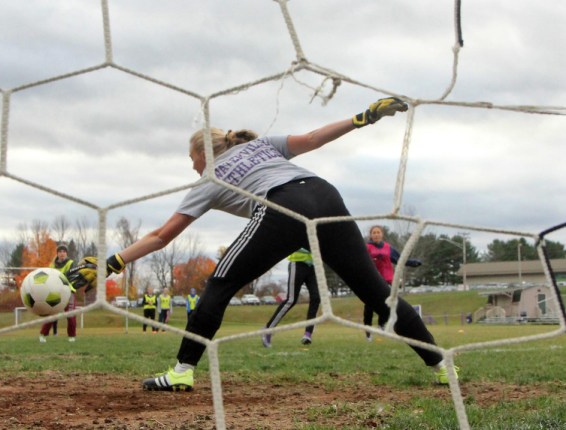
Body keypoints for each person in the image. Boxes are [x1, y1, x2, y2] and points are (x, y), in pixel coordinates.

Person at [75, 97, 457, 390]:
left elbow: (162, 235)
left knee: (221, 285)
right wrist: (363, 118)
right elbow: (312, 139)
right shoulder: (262, 146)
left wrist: (112, 262)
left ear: (202, 153)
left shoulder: (209, 177)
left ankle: (181, 372)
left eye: (190, 158)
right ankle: (441, 365)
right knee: (376, 293)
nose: (191, 166)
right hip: (326, 195)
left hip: (283, 205)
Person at [363, 225, 422, 341]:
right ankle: (368, 332)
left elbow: (400, 259)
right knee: (369, 306)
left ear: (382, 234)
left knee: (386, 303)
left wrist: (412, 263)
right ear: (371, 235)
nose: (376, 234)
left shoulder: (388, 247)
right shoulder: (367, 247)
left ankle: (381, 325)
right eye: (374, 233)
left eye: (378, 232)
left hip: (386, 280)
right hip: (371, 280)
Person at [261, 248, 321, 348]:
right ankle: (268, 329)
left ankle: (308, 334)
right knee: (291, 300)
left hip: (312, 266)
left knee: (316, 298)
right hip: (297, 264)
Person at [40, 245, 77, 343]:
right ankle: (43, 335)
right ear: (57, 254)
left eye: (64, 251)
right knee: (52, 314)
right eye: (60, 252)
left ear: (66, 253)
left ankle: (72, 337)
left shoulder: (71, 263)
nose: (62, 253)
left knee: (71, 315)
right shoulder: (52, 265)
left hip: (69, 292)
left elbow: (72, 276)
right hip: (55, 292)